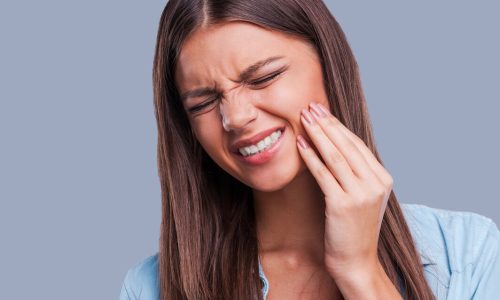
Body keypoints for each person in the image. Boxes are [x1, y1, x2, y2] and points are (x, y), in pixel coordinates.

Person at [119, 0, 500, 299]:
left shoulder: (466, 253)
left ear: (330, 66)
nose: (234, 117)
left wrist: (360, 272)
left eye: (263, 77)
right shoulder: (150, 288)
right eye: (202, 103)